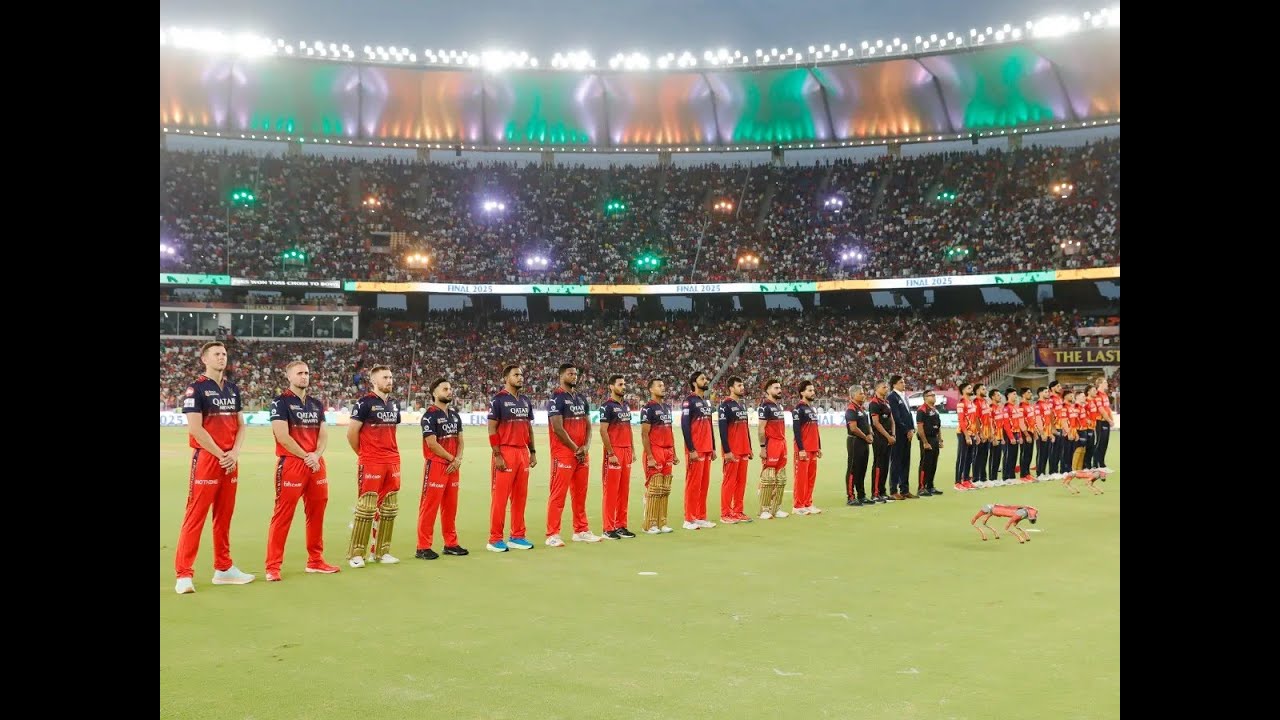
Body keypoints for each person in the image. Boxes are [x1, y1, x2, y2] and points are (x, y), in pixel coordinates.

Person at [173, 341, 254, 594]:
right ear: (204, 359)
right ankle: (184, 574)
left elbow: (241, 424)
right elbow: (195, 428)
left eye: (224, 354)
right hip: (209, 459)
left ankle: (224, 568)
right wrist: (221, 454)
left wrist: (235, 453)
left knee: (224, 516)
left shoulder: (232, 389)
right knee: (195, 515)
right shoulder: (195, 388)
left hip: (230, 460)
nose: (222, 357)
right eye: (216, 354)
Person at [265, 361, 339, 581]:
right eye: (299, 373)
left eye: (306, 373)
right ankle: (273, 566)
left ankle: (315, 561)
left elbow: (323, 434)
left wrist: (316, 454)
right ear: (289, 376)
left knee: (316, 514)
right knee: (283, 514)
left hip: (316, 464)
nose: (304, 377)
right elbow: (282, 436)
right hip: (292, 463)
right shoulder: (280, 402)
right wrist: (306, 456)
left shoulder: (316, 404)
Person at [346, 365, 403, 567]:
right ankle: (356, 554)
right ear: (374, 381)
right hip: (371, 461)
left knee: (388, 507)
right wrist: (364, 455)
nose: (389, 380)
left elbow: (392, 432)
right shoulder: (364, 403)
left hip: (392, 461)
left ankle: (382, 552)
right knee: (366, 508)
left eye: (391, 377)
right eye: (385, 377)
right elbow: (352, 434)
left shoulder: (395, 405)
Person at [546, 364, 600, 546]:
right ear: (561, 376)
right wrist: (575, 447)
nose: (574, 376)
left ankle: (581, 530)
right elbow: (558, 428)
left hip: (582, 453)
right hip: (563, 453)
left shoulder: (581, 398)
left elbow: (589, 426)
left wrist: (586, 446)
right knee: (558, 494)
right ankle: (552, 534)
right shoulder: (556, 398)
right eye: (570, 373)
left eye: (576, 373)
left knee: (580, 494)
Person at [415, 378, 468, 560]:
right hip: (437, 465)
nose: (449, 391)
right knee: (429, 507)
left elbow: (460, 440)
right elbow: (432, 443)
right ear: (435, 393)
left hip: (454, 466)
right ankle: (423, 546)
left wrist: (458, 459)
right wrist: (452, 458)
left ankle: (451, 543)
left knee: (450, 507)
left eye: (450, 388)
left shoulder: (454, 415)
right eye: (445, 389)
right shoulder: (429, 415)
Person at [487, 365, 537, 552]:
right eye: (516, 375)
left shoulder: (525, 400)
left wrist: (532, 451)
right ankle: (494, 539)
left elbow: (529, 427)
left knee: (520, 497)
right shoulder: (498, 400)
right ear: (506, 378)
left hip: (522, 452)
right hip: (505, 452)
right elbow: (492, 428)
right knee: (500, 498)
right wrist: (497, 454)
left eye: (522, 374)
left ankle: (517, 536)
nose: (520, 377)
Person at [599, 375, 637, 539]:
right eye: (620, 384)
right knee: (611, 491)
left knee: (624, 490)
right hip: (614, 452)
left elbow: (628, 429)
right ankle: (608, 528)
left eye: (624, 384)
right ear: (611, 386)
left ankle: (621, 525)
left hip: (627, 451)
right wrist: (611, 453)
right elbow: (603, 430)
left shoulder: (626, 406)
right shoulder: (606, 406)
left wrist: (633, 450)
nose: (623, 387)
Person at [640, 379, 679, 534]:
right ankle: (649, 524)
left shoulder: (667, 407)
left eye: (663, 385)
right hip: (655, 450)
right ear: (651, 389)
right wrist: (649, 456)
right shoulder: (647, 408)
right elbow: (644, 434)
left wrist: (674, 452)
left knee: (665, 488)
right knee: (655, 487)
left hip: (668, 451)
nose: (663, 388)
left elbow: (670, 430)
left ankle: (662, 522)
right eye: (659, 386)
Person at [680, 371, 717, 530]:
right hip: (696, 449)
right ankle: (689, 519)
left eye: (706, 378)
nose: (705, 380)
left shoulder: (706, 402)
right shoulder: (689, 401)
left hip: (707, 448)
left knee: (704, 484)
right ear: (694, 383)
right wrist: (691, 448)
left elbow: (709, 425)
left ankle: (701, 516)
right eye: (702, 378)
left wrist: (713, 447)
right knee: (693, 484)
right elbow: (685, 425)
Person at [717, 376, 754, 524]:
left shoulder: (742, 406)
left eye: (742, 385)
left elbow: (745, 427)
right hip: (732, 450)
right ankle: (725, 513)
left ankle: (738, 511)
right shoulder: (724, 405)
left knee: (741, 482)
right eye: (739, 385)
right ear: (731, 388)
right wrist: (727, 451)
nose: (742, 387)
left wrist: (750, 447)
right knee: (729, 482)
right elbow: (722, 430)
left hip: (744, 449)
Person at [757, 380, 790, 519]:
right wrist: (763, 447)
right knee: (769, 476)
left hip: (782, 443)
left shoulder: (779, 406)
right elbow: (761, 429)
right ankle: (764, 509)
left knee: (780, 477)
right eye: (776, 388)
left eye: (780, 387)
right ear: (768, 390)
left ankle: (776, 508)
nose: (779, 390)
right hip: (772, 444)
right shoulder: (765, 406)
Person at [792, 380, 823, 515]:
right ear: (802, 392)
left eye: (813, 390)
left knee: (811, 477)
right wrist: (801, 449)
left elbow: (815, 429)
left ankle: (808, 503)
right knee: (801, 478)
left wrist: (819, 447)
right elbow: (796, 430)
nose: (812, 392)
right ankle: (798, 506)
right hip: (803, 449)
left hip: (813, 448)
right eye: (810, 390)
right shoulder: (798, 409)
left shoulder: (811, 409)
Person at [844, 385, 875, 506]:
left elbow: (866, 424)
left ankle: (862, 495)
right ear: (853, 395)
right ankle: (851, 496)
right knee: (853, 469)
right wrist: (865, 436)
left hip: (863, 441)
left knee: (862, 469)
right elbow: (853, 428)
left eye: (863, 393)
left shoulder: (861, 409)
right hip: (855, 441)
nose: (863, 395)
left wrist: (870, 433)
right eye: (861, 393)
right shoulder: (851, 409)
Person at [887, 375, 916, 498]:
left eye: (904, 382)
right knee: (896, 461)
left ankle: (904, 489)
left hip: (907, 433)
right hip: (898, 434)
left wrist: (912, 429)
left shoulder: (904, 396)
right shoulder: (892, 397)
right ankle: (894, 490)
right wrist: (906, 430)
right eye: (901, 382)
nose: (904, 384)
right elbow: (896, 417)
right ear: (894, 385)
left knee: (905, 461)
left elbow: (908, 415)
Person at [868, 381, 896, 502]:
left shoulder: (887, 402)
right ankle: (875, 493)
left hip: (889, 437)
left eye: (887, 387)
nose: (886, 389)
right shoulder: (874, 403)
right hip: (879, 438)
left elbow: (892, 419)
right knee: (879, 465)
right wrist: (887, 436)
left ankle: (883, 491)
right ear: (876, 389)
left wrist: (893, 434)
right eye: (883, 387)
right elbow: (876, 423)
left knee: (885, 465)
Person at [914, 389, 943, 496]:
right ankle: (921, 487)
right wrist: (925, 442)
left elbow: (939, 426)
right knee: (925, 463)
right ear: (926, 397)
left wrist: (940, 439)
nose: (934, 397)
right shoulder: (922, 410)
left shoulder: (935, 410)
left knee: (933, 463)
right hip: (927, 439)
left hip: (934, 439)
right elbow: (920, 428)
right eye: (932, 395)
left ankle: (930, 486)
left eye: (934, 395)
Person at [971, 504, 1039, 543]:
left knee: (1012, 526)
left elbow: (1013, 519)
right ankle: (1021, 537)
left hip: (997, 510)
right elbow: (1012, 520)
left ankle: (1022, 537)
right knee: (978, 521)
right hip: (994, 509)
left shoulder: (1024, 513)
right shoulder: (1026, 512)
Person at [1093, 376, 1115, 473]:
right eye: (1105, 382)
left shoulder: (1104, 395)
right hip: (1100, 421)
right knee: (1099, 443)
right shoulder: (1097, 395)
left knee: (1104, 443)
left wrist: (1111, 419)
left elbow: (1108, 408)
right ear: (1100, 384)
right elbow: (1101, 410)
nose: (1107, 384)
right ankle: (1096, 464)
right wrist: (1109, 420)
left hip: (1106, 421)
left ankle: (1102, 463)